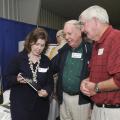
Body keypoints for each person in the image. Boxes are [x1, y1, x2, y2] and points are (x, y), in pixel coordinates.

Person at [79, 5, 120, 120]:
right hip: (98, 109)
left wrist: (96, 87)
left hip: (113, 112)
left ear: (95, 21)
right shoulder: (97, 44)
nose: (82, 30)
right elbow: (95, 75)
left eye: (83, 24)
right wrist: (86, 81)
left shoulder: (116, 38)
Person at [4, 27, 53, 120]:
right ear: (30, 42)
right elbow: (7, 78)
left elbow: (50, 83)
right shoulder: (18, 59)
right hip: (21, 106)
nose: (39, 48)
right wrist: (16, 79)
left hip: (40, 107)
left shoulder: (46, 61)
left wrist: (47, 91)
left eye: (42, 45)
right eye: (37, 44)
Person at [51, 20, 92, 120]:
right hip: (64, 97)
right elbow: (51, 66)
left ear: (80, 31)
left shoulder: (90, 50)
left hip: (81, 100)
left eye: (69, 33)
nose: (67, 37)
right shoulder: (65, 49)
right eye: (65, 34)